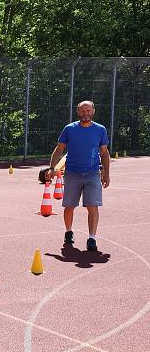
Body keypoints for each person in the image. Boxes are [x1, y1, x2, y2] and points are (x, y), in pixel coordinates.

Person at [47, 100, 110, 252]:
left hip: (92, 173)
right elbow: (59, 149)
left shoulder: (100, 130)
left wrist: (106, 173)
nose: (85, 114)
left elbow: (104, 153)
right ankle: (68, 232)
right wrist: (52, 168)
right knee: (69, 206)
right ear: (78, 112)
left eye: (88, 111)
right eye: (83, 111)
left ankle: (92, 238)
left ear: (93, 112)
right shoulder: (69, 129)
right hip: (72, 173)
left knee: (92, 206)